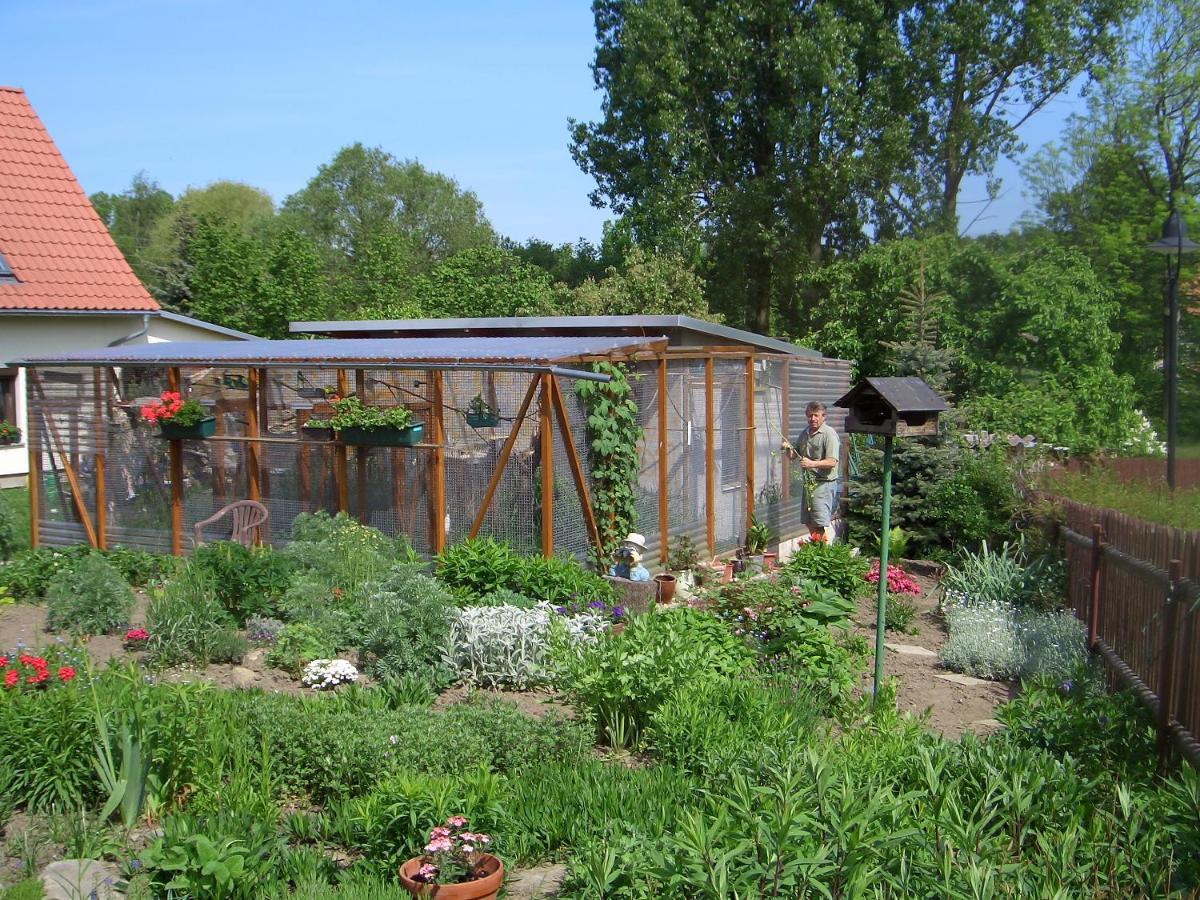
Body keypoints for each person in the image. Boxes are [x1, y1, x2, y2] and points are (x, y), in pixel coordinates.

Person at [783, 401, 840, 544]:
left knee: (818, 522)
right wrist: (787, 448)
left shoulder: (829, 434)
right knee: (808, 520)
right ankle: (817, 549)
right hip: (809, 484)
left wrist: (812, 464)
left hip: (823, 484)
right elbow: (793, 456)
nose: (813, 419)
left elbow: (832, 461)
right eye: (810, 416)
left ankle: (822, 555)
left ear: (823, 417)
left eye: (816, 415)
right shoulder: (805, 433)